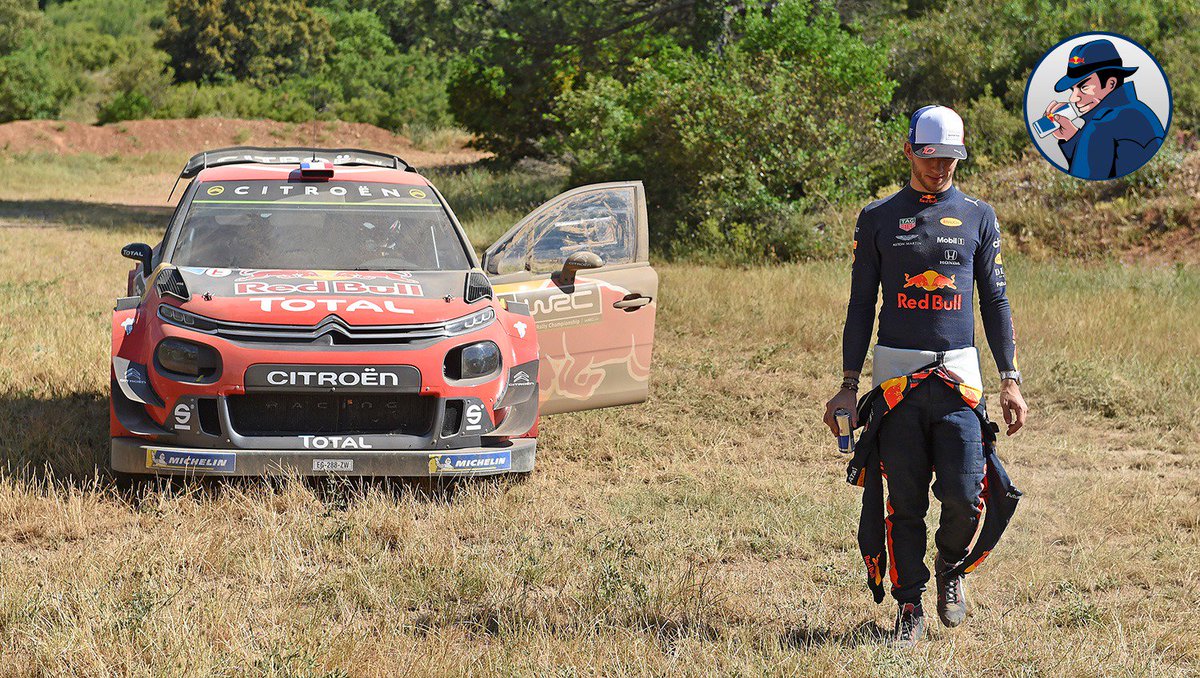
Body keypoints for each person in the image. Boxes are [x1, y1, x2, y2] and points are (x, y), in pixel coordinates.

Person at [822, 105, 1029, 648]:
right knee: (904, 501)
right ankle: (909, 605)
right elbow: (860, 305)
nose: (940, 168)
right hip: (896, 383)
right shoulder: (878, 217)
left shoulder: (980, 216)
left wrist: (1010, 379)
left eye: (950, 159)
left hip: (960, 380)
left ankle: (950, 566)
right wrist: (848, 384)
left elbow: (996, 300)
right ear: (909, 151)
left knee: (966, 494)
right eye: (930, 157)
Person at [1044, 38, 1165, 179]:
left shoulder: (1101, 125)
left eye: (1084, 87)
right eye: (1073, 89)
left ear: (1111, 84)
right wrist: (1071, 137)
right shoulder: (1139, 110)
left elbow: (1084, 182)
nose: (1073, 98)